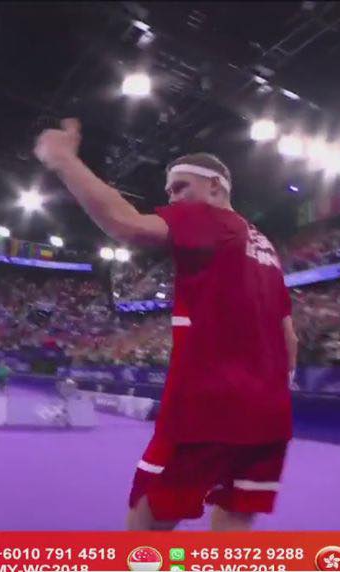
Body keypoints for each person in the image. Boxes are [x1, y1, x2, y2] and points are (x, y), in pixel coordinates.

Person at [35, 120, 296, 532]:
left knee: (147, 523)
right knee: (236, 519)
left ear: (215, 187)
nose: (172, 199)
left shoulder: (210, 219)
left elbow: (125, 224)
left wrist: (64, 160)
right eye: (170, 191)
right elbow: (289, 336)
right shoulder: (265, 246)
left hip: (207, 408)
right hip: (269, 413)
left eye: (180, 188)